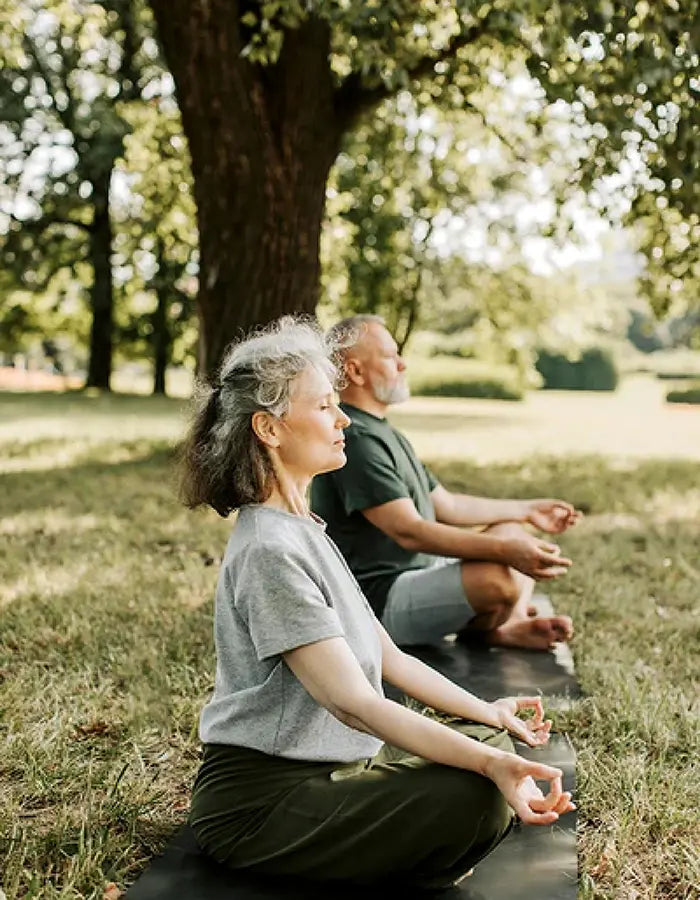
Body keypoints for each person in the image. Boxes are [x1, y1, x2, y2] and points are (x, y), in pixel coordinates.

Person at [179, 316, 574, 890]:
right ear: (268, 428)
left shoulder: (303, 528)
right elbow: (355, 704)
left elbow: (391, 658)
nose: (342, 420)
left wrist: (489, 714)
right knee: (479, 790)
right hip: (262, 804)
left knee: (489, 743)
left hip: (338, 768)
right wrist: (489, 765)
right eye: (323, 407)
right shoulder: (269, 550)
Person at [311, 315, 582, 651]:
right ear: (355, 372)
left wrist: (527, 510)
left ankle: (504, 627)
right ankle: (499, 624)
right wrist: (504, 551)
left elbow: (448, 506)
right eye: (389, 356)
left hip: (419, 574)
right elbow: (408, 531)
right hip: (376, 603)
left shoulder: (384, 432)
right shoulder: (357, 439)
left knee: (513, 531)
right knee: (498, 579)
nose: (402, 364)